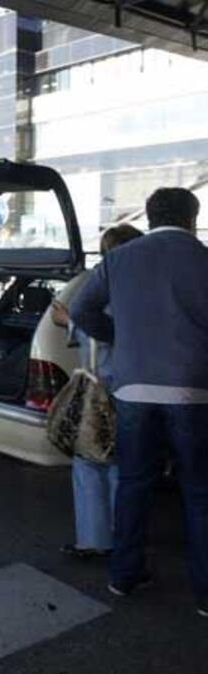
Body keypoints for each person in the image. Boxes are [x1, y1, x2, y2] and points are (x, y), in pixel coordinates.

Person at [70, 188, 208, 616]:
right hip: (193, 390)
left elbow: (80, 310)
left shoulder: (118, 260)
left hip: (131, 390)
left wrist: (121, 337)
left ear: (149, 218)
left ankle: (124, 576)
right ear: (191, 219)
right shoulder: (203, 258)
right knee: (199, 491)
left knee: (134, 483)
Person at [52, 224, 142, 559]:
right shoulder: (140, 288)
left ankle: (95, 540)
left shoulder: (102, 288)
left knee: (89, 463)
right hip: (128, 389)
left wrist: (68, 321)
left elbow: (97, 334)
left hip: (97, 389)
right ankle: (123, 538)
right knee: (121, 464)